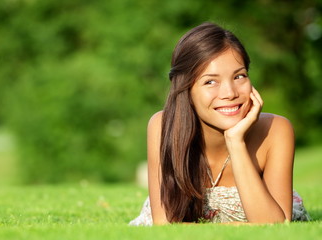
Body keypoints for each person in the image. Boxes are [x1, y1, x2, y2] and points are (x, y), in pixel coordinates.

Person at [129, 22, 310, 225]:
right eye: (210, 81)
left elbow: (275, 225)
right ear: (186, 89)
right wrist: (243, 227)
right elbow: (165, 226)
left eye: (239, 76)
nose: (230, 93)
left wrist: (235, 142)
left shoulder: (276, 130)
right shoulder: (163, 126)